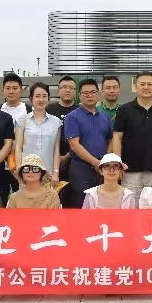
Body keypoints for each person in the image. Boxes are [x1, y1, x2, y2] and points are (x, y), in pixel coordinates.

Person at [112, 71, 152, 205]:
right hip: (129, 170)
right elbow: (117, 137)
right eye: (142, 84)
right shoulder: (124, 110)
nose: (146, 87)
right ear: (136, 87)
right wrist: (118, 163)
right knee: (130, 207)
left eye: (149, 84)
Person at [65, 79, 114, 207]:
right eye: (85, 93)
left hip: (102, 168)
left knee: (102, 205)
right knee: (81, 204)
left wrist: (104, 160)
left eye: (93, 92)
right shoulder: (72, 117)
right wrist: (95, 162)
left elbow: (111, 140)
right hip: (81, 168)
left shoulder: (105, 117)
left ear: (98, 94)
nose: (89, 95)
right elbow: (74, 145)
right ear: (79, 95)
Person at [14, 82, 61, 188]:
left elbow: (56, 149)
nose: (41, 99)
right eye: (37, 96)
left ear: (48, 99)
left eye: (44, 96)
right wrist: (19, 172)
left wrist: (56, 172)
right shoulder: (22, 121)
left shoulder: (56, 122)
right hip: (27, 174)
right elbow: (18, 148)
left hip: (48, 174)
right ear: (31, 99)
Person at [48, 76, 79, 197]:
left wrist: (66, 157)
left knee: (72, 196)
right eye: (64, 87)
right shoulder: (48, 109)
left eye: (71, 88)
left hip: (74, 160)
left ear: (75, 91)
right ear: (59, 90)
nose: (67, 90)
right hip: (50, 160)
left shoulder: (80, 110)